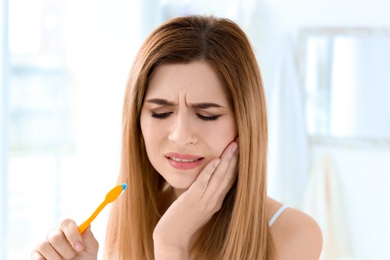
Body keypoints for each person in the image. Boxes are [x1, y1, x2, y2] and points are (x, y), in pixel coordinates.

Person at [32, 15, 322, 259]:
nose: (181, 136)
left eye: (207, 115)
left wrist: (171, 243)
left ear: (245, 124)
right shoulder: (130, 216)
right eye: (160, 112)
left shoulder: (293, 234)